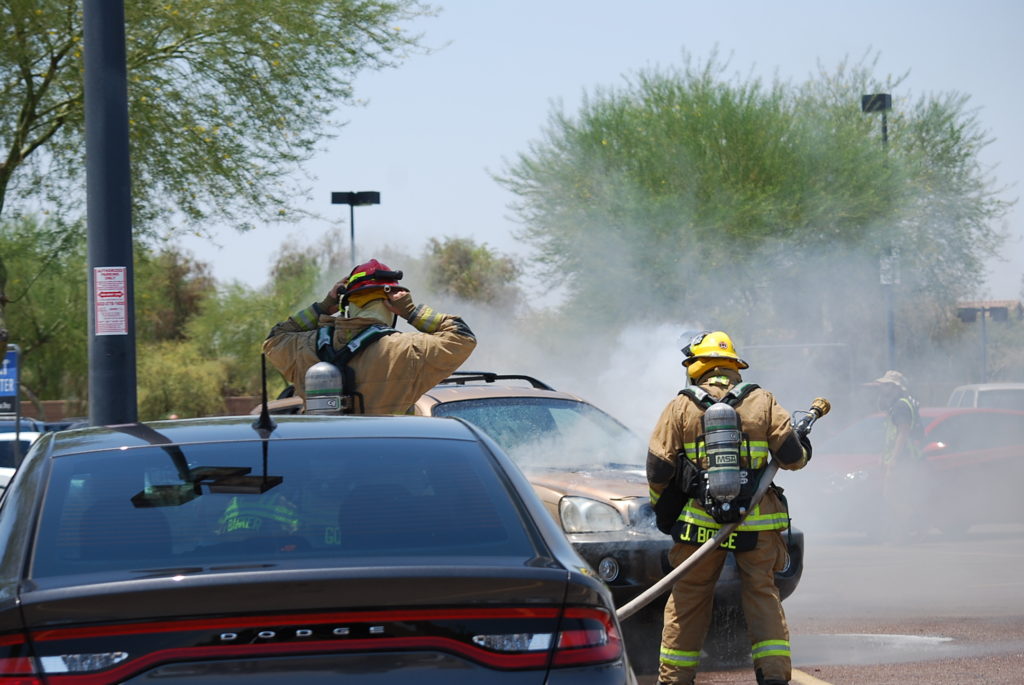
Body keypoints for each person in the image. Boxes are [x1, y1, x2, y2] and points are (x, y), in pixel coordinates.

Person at [646, 331, 811, 685]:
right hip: (756, 524)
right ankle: (774, 677)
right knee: (762, 595)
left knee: (688, 599)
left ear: (697, 368)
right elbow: (792, 458)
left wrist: (663, 511)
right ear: (734, 366)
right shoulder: (761, 401)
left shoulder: (681, 406)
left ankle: (674, 680)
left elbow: (658, 468)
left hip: (698, 527)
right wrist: (804, 448)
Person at [262, 258, 476, 415]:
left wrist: (323, 307)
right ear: (391, 305)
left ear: (346, 304)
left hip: (325, 456)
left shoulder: (305, 346)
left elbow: (274, 338)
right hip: (385, 456)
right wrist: (412, 312)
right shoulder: (408, 349)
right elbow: (462, 337)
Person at [865, 370, 924, 541]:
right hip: (902, 458)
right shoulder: (900, 404)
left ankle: (912, 527)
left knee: (893, 496)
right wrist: (884, 455)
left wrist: (894, 460)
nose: (882, 389)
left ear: (896, 387)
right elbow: (892, 435)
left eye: (886, 386)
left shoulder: (900, 406)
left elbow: (903, 433)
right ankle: (905, 531)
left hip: (903, 459)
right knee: (897, 496)